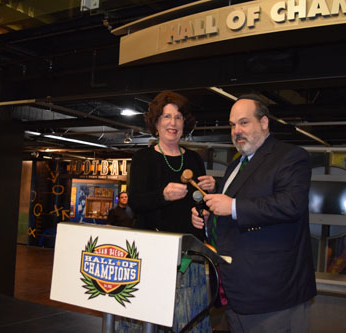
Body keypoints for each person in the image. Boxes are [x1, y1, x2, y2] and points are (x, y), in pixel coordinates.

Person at [192, 93, 317, 332]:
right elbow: (231, 216)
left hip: (274, 296)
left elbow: (291, 204)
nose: (236, 130)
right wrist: (209, 220)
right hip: (236, 293)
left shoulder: (291, 157)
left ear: (264, 122)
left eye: (243, 122)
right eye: (232, 125)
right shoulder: (234, 166)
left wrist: (233, 206)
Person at [127, 90, 216, 332]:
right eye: (166, 117)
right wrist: (162, 196)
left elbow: (199, 203)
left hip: (189, 255)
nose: (173, 123)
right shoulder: (143, 158)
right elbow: (135, 202)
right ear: (156, 123)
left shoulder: (195, 160)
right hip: (152, 254)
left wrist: (204, 208)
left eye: (178, 117)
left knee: (188, 317)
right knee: (150, 319)